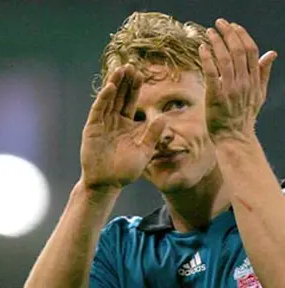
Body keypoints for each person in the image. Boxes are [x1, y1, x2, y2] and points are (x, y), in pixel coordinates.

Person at [24, 11, 282, 287]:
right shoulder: (122, 250)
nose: (157, 132)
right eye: (137, 117)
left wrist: (234, 135)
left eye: (176, 105)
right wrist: (93, 190)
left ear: (219, 100)